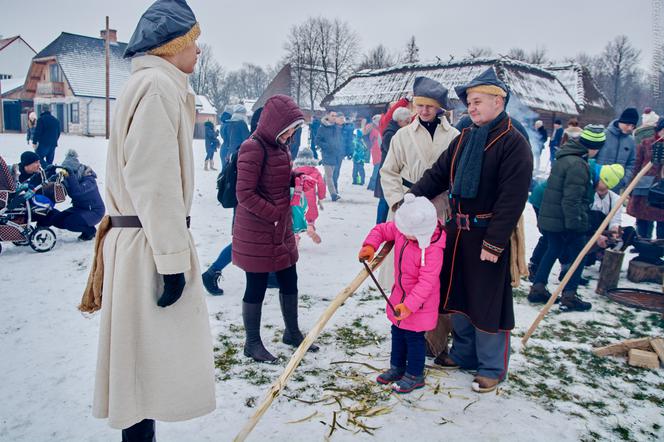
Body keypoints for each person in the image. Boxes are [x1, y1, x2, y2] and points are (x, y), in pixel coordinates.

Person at [90, 2, 216, 439]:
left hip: (143, 240)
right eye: (193, 42)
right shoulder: (158, 89)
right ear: (172, 45)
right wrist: (171, 261)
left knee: (141, 369)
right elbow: (153, 182)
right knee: (144, 370)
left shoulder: (153, 85)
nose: (198, 51)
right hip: (147, 245)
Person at [408, 67, 533, 393]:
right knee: (456, 295)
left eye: (477, 101)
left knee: (488, 303)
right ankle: (463, 353)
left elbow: (512, 199)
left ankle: (491, 367)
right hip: (457, 232)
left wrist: (494, 243)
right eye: (469, 103)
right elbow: (437, 175)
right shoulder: (465, 137)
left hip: (487, 236)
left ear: (498, 100)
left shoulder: (513, 143)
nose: (471, 108)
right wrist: (410, 198)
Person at [232, 94, 318, 362]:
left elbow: (276, 177)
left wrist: (296, 177)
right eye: (289, 127)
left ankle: (291, 332)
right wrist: (274, 215)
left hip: (279, 227)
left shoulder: (281, 147)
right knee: (256, 284)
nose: (292, 133)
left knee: (289, 278)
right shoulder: (253, 147)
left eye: (294, 128)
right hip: (258, 229)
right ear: (275, 123)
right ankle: (252, 343)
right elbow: (244, 193)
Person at [359, 194, 445, 393]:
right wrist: (370, 245)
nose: (403, 235)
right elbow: (381, 229)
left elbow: (426, 283)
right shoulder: (405, 229)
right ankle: (397, 367)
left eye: (408, 234)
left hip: (420, 305)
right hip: (399, 296)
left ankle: (415, 375)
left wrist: (409, 306)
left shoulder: (433, 250)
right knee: (397, 332)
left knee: (414, 339)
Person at [529, 125, 607, 311]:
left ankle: (538, 288)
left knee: (552, 248)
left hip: (554, 216)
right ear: (595, 146)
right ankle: (570, 295)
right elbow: (571, 199)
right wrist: (576, 225)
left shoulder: (567, 157)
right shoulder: (578, 165)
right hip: (564, 219)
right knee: (579, 254)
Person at [48, 149, 105, 241]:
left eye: (69, 172)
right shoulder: (71, 179)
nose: (66, 175)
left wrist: (70, 175)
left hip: (94, 211)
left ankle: (90, 231)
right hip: (78, 209)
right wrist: (52, 175)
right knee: (56, 220)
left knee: (70, 223)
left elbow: (77, 192)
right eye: (65, 172)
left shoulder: (89, 180)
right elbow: (58, 190)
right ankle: (82, 223)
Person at [627, 117, 664, 239]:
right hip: (644, 185)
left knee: (662, 221)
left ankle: (660, 247)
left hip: (661, 188)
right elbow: (636, 164)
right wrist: (631, 186)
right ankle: (642, 243)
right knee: (643, 218)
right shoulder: (646, 143)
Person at [375, 106, 411, 224]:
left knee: (387, 202)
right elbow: (396, 154)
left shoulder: (397, 131)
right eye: (407, 122)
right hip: (387, 172)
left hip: (393, 172)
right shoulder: (390, 134)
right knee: (384, 202)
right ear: (400, 121)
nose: (409, 124)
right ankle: (379, 228)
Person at [595, 107, 638, 193]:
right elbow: (593, 157)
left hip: (616, 188)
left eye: (633, 126)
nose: (630, 128)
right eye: (627, 124)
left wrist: (624, 180)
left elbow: (631, 164)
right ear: (620, 121)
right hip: (597, 183)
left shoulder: (631, 141)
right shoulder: (603, 135)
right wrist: (595, 177)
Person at [293, 147, 325, 244]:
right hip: (310, 200)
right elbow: (321, 185)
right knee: (310, 217)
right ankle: (310, 227)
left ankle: (295, 237)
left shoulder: (294, 171)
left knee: (295, 219)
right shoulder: (315, 172)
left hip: (296, 200)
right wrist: (321, 198)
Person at [315, 110, 343, 201]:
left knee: (327, 176)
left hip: (335, 154)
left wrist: (339, 150)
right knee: (330, 175)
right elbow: (317, 141)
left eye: (335, 116)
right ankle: (333, 194)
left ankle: (319, 189)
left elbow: (339, 140)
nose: (334, 117)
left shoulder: (336, 127)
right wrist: (326, 146)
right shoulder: (322, 127)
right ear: (328, 116)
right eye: (332, 115)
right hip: (326, 153)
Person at [220, 104, 250, 170]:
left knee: (226, 174)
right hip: (238, 153)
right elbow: (247, 140)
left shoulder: (229, 123)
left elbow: (225, 137)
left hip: (228, 152)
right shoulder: (242, 124)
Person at [366, 116, 382, 191]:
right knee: (377, 168)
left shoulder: (376, 129)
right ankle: (372, 185)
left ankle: (372, 185)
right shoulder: (373, 129)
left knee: (377, 168)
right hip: (377, 150)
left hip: (376, 150)